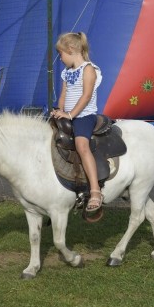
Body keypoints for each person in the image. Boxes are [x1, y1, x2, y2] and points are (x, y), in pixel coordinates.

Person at [52, 31, 104, 215]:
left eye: (61, 54)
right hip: (68, 114)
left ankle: (95, 190)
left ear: (71, 49)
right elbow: (64, 95)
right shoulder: (67, 73)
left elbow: (86, 95)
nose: (60, 58)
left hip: (84, 116)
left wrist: (71, 114)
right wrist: (59, 111)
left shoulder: (88, 69)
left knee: (82, 146)